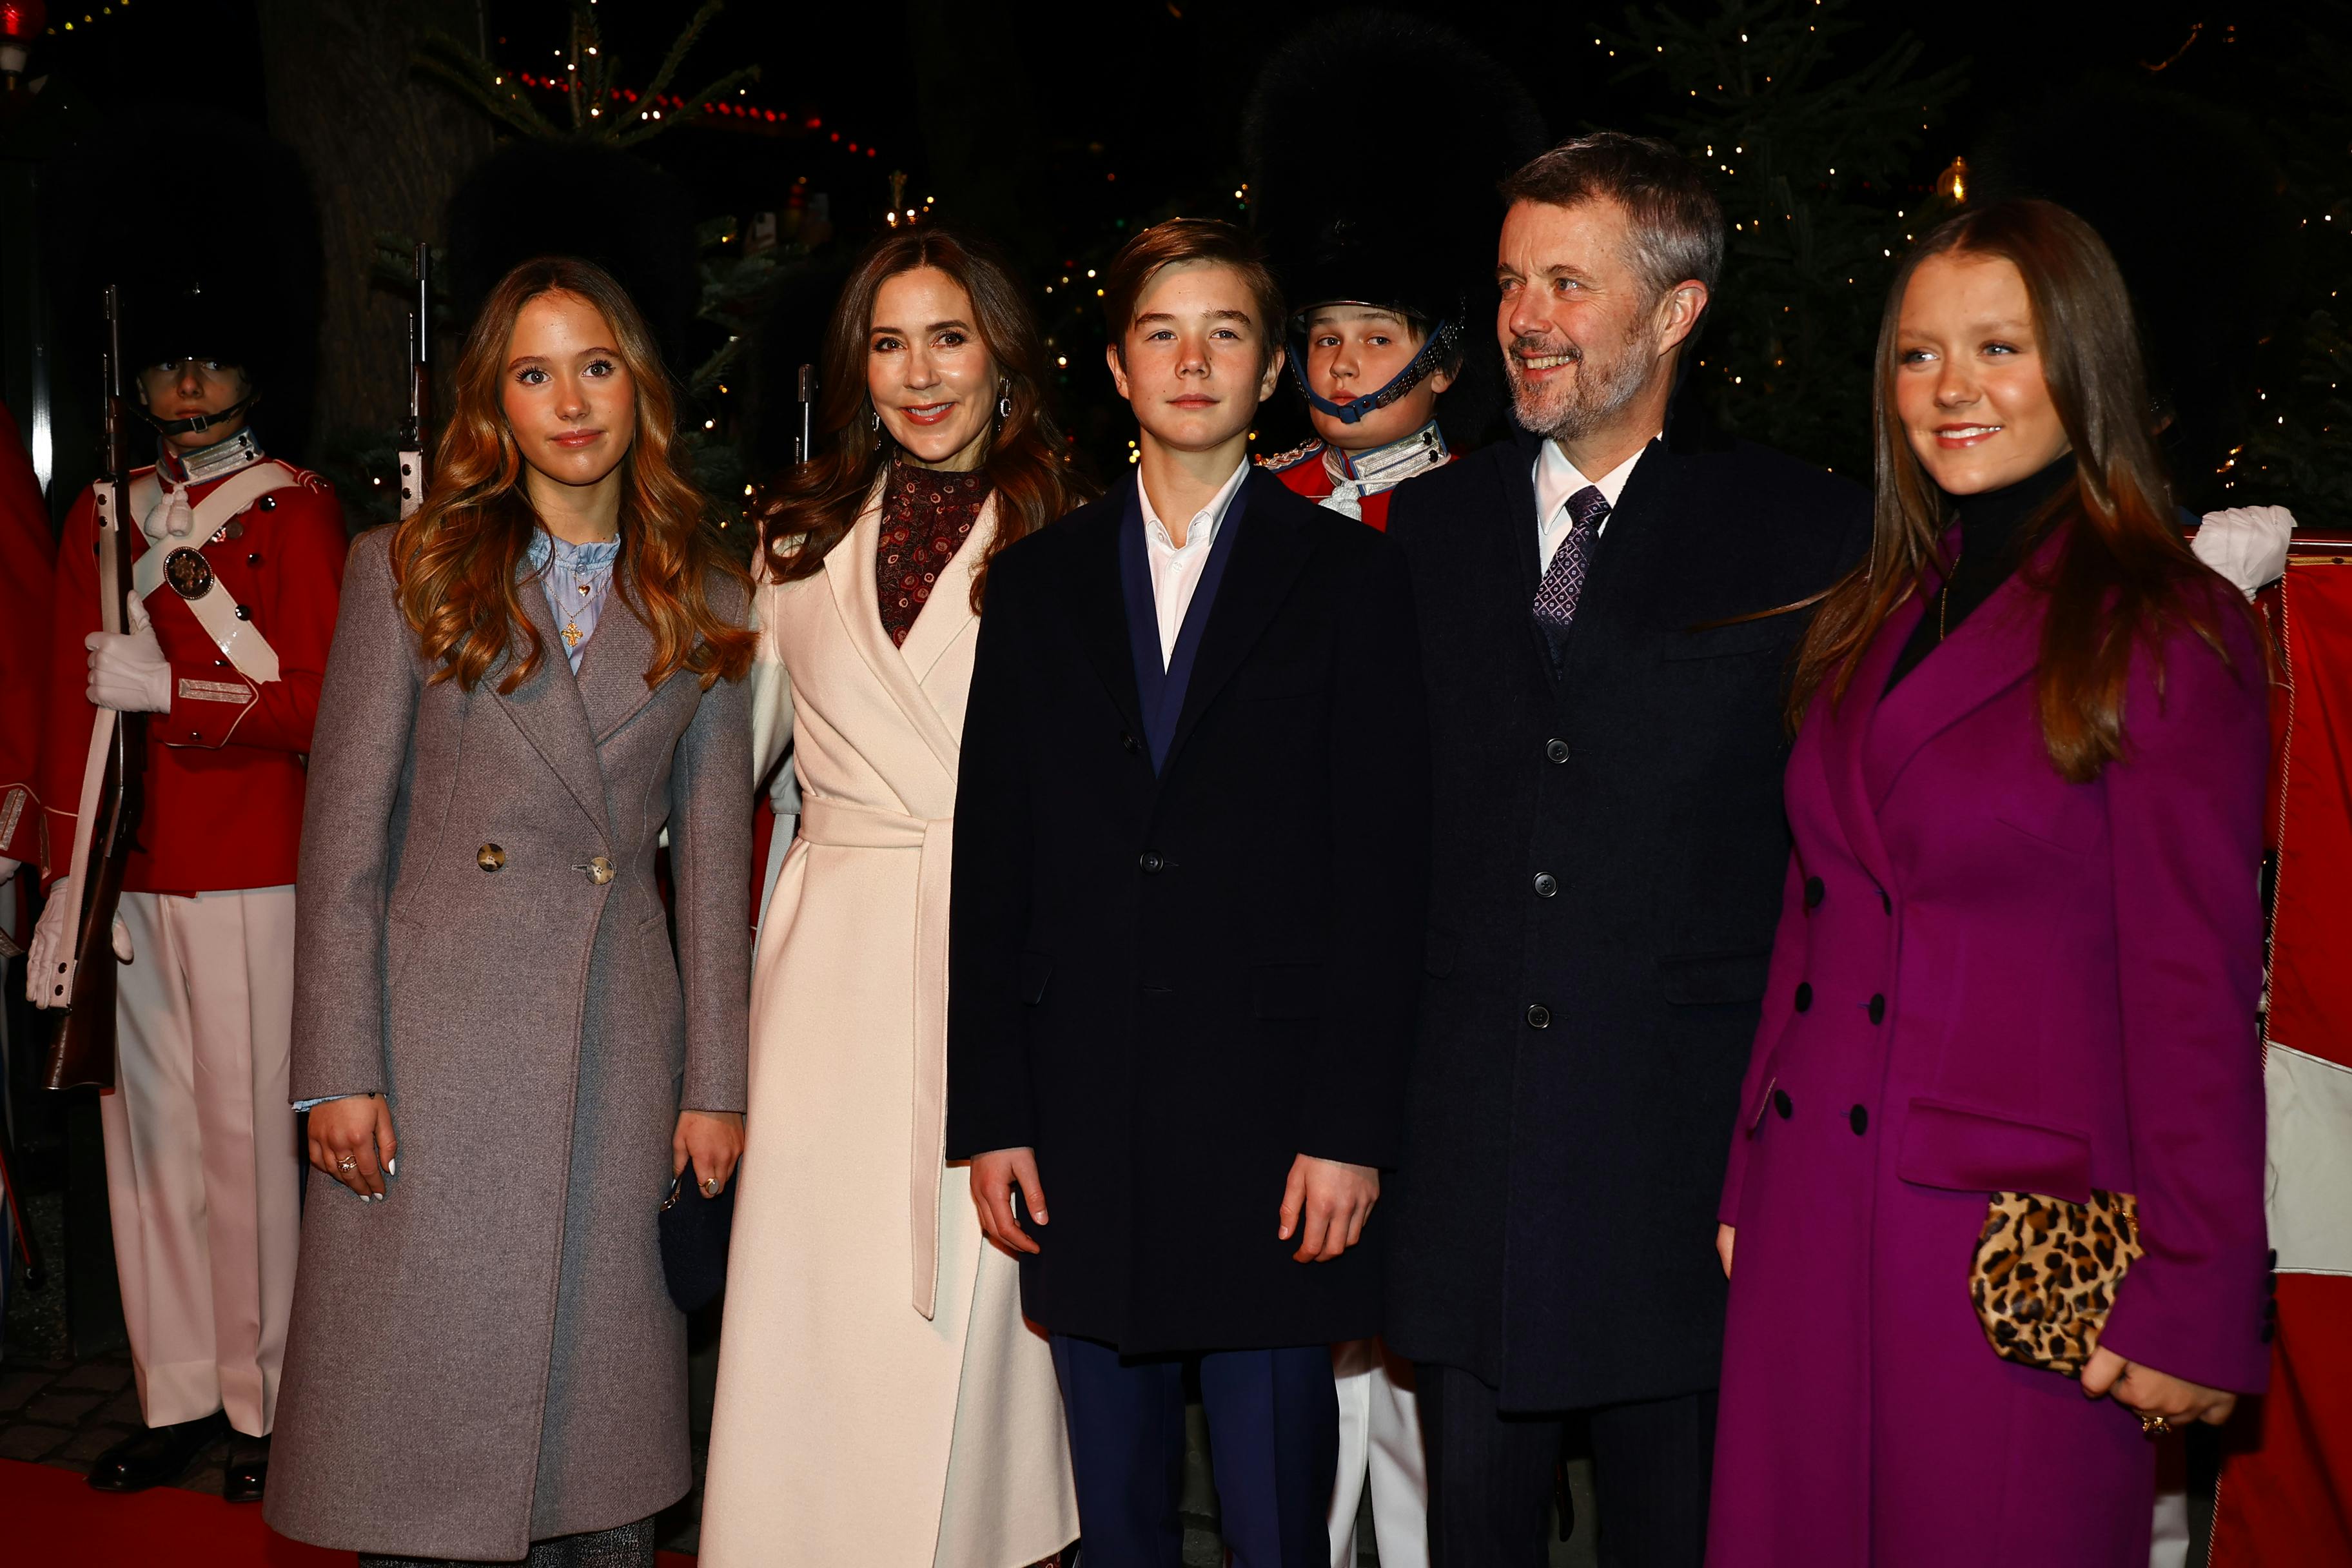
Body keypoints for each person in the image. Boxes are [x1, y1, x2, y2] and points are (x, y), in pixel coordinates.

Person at [1708, 199, 2271, 1567]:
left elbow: (2195, 998)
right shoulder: (1876, 612)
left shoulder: (2168, 627)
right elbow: (1811, 915)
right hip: (1810, 1225)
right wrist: (1745, 1176)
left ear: (2082, 365)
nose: (1950, 390)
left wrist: (2197, 1297)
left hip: (2009, 1262)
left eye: (1998, 348)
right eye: (1917, 355)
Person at [1378, 132, 1868, 1568]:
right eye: (1515, 280)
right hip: (1470, 1155)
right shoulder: (1430, 523)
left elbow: (1836, 865)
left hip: (1686, 1170)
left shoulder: (1807, 534)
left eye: (1570, 284)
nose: (1526, 316)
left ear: (1676, 312)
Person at [946, 217, 1430, 1568]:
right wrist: (993, 1115)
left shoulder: (1351, 579)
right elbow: (996, 865)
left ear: (1271, 367)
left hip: (1276, 1136)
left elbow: (1386, 871)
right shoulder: (1035, 587)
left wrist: (1351, 1130)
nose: (1193, 358)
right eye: (1161, 331)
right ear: (1115, 366)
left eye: (1226, 331)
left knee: (1280, 1518)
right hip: (1083, 1120)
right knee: (1121, 1522)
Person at [262, 257, 754, 1567]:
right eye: (534, 373)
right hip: (432, 1051)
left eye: (595, 365)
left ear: (637, 387)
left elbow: (713, 863)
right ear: (494, 404)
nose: (570, 401)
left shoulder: (710, 595)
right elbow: (343, 849)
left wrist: (718, 1082)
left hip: (617, 1046)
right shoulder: (407, 569)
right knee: (421, 1438)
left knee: (597, 1446)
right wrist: (336, 1072)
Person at [697, 225, 1090, 1568]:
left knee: (977, 1314)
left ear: (1002, 359)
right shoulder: (796, 533)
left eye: (949, 337)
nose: (920, 374)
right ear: (855, 369)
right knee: (816, 1302)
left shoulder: (1071, 531)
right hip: (829, 972)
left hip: (993, 959)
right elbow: (730, 765)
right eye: (888, 342)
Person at [25, 273, 348, 1503]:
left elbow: (320, 702)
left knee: (249, 1146)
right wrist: (66, 879)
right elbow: (67, 707)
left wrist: (182, 695)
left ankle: (270, 1401)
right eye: (169, 364)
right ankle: (178, 1394)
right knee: (147, 1151)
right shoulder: (105, 511)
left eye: (214, 361)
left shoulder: (299, 513)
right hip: (133, 870)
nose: (189, 384)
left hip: (254, 866)